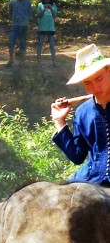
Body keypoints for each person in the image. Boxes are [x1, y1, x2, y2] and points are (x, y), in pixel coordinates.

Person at [49, 43, 110, 185]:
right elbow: (77, 156)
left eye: (99, 79)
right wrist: (60, 122)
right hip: (92, 181)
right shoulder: (83, 112)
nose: (95, 87)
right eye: (88, 83)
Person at [6, 0, 32, 66]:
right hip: (15, 25)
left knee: (23, 42)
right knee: (11, 42)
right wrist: (12, 20)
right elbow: (10, 12)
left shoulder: (28, 3)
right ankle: (11, 59)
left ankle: (22, 60)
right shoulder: (12, 3)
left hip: (24, 25)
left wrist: (29, 21)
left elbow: (29, 13)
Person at [35, 0, 57, 64]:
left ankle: (54, 61)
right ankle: (38, 60)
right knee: (40, 43)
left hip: (51, 27)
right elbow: (39, 16)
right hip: (42, 27)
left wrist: (51, 9)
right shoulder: (40, 5)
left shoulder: (53, 5)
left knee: (52, 44)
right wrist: (44, 10)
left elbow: (55, 15)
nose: (48, 0)